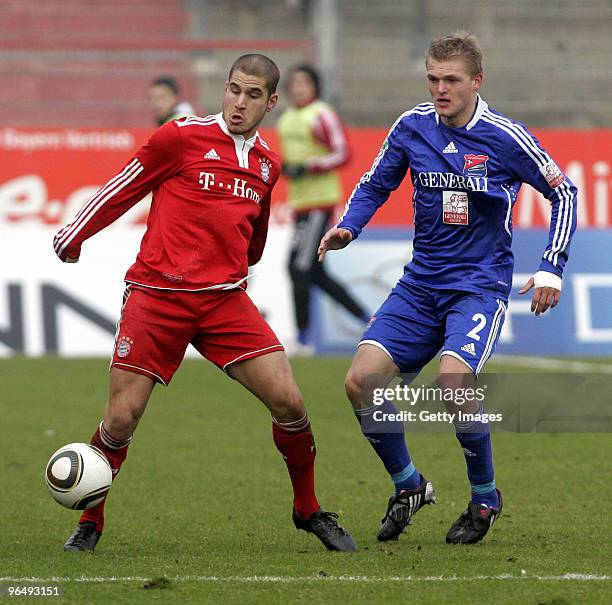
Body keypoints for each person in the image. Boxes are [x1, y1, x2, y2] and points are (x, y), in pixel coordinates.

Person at [53, 54, 356, 554]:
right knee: (122, 418)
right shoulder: (181, 136)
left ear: (271, 102)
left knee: (291, 403)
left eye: (253, 94)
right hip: (158, 296)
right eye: (234, 90)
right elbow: (124, 187)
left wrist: (229, 263)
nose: (240, 102)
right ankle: (91, 519)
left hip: (223, 302)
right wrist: (74, 234)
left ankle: (308, 510)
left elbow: (253, 241)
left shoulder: (266, 165)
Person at [318, 33, 577, 545]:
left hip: (477, 289)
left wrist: (551, 267)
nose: (440, 89)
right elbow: (375, 181)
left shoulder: (505, 138)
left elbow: (563, 191)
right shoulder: (412, 126)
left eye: (451, 80)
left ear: (476, 81)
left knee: (453, 386)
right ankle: (409, 485)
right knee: (360, 382)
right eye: (433, 79)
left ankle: (485, 498)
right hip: (421, 285)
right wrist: (351, 225)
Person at [276, 65, 370, 354]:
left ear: (315, 86)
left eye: (304, 82)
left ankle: (303, 339)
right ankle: (368, 319)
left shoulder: (322, 114)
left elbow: (342, 153)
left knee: (298, 268)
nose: (298, 88)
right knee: (316, 273)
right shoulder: (287, 118)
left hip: (320, 202)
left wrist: (307, 167)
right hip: (301, 203)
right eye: (294, 83)